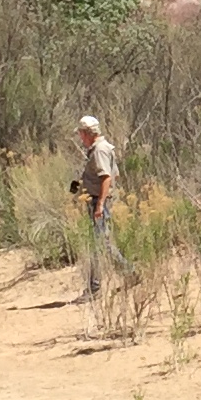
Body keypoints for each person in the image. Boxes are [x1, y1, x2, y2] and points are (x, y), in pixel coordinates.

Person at [75, 116, 120, 294]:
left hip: (99, 203)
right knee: (102, 242)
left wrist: (100, 204)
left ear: (87, 133)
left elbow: (107, 177)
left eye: (80, 133)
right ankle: (129, 272)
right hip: (96, 201)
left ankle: (94, 287)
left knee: (99, 244)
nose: (80, 137)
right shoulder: (97, 149)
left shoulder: (100, 150)